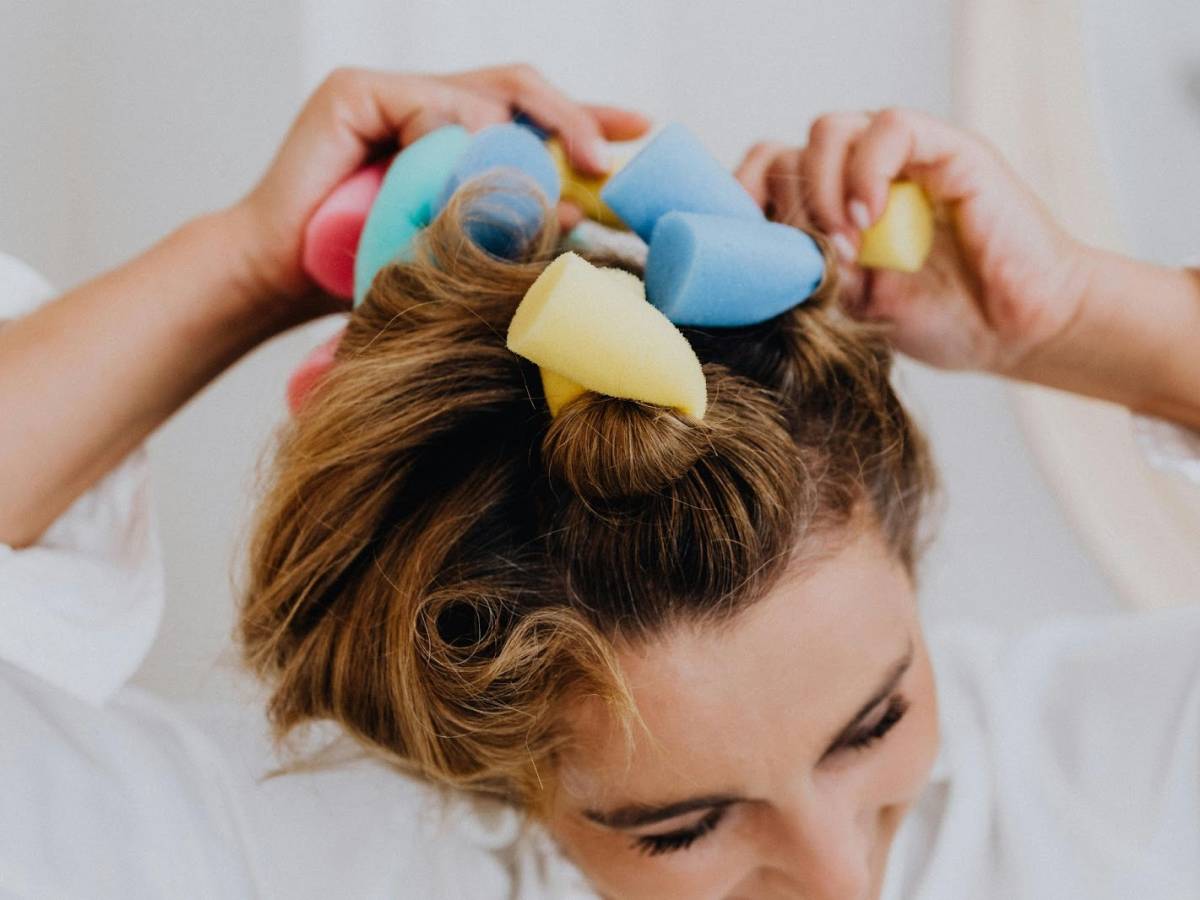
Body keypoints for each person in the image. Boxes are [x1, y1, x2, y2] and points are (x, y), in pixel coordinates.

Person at [2, 67, 1198, 900]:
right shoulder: (296, 864)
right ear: (487, 763)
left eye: (875, 725)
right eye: (681, 827)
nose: (841, 879)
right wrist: (248, 264)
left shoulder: (1105, 782)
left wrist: (1080, 315)